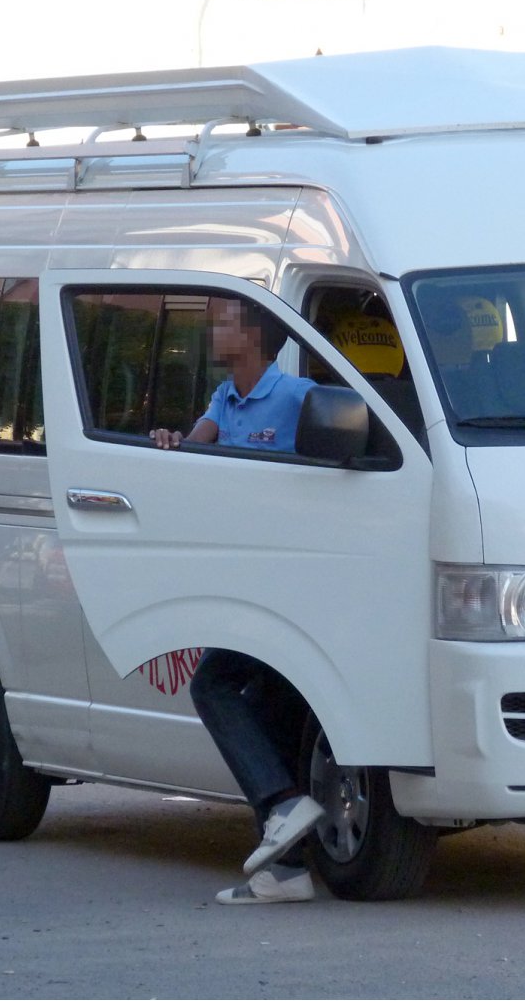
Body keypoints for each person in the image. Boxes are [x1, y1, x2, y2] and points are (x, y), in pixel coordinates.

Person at [149, 298, 324, 904]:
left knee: (214, 685)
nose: (212, 330)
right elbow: (195, 449)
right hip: (245, 580)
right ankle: (286, 871)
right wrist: (173, 443)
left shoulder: (299, 396)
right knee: (266, 707)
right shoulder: (225, 399)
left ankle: (282, 805)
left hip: (288, 584)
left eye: (223, 321)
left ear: (252, 337)